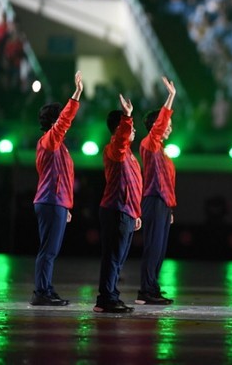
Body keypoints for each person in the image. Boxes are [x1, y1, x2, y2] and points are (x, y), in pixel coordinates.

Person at [30, 71, 83, 306]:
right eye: (60, 117)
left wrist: (66, 205)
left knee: (51, 249)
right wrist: (77, 94)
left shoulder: (57, 145)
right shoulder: (49, 141)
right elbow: (63, 123)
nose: (64, 121)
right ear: (54, 122)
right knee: (48, 250)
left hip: (56, 202)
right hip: (50, 201)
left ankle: (46, 289)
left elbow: (63, 177)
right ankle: (41, 292)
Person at [94, 94, 142, 313]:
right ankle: (105, 299)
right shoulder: (115, 148)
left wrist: (136, 213)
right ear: (119, 128)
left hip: (127, 212)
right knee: (113, 257)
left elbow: (133, 186)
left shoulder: (128, 154)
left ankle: (111, 295)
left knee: (118, 258)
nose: (134, 130)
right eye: (130, 127)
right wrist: (127, 116)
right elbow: (122, 139)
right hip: (116, 210)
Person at [136, 77, 176, 306]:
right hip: (153, 200)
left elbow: (168, 182)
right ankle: (145, 290)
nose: (169, 127)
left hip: (163, 203)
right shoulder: (148, 144)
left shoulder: (162, 151)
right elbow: (161, 125)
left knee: (160, 248)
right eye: (166, 123)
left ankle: (152, 288)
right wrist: (171, 97)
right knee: (152, 246)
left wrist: (170, 207)